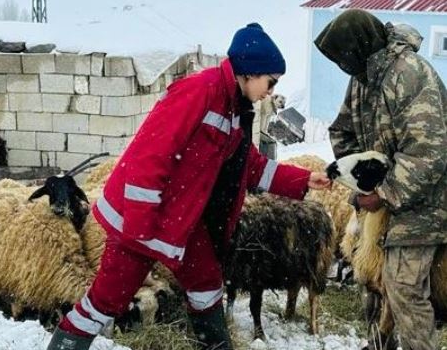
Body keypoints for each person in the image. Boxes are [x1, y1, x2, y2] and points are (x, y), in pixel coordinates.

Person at [46, 22, 331, 350]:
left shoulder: (234, 109)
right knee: (107, 299)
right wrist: (140, 229)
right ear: (251, 73)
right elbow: (150, 154)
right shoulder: (200, 92)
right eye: (271, 82)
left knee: (207, 282)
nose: (270, 91)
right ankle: (67, 344)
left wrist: (302, 179)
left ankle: (215, 345)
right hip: (143, 217)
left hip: (179, 218)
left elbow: (248, 167)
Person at [315, 9, 447, 350]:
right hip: (382, 201)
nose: (342, 66)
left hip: (425, 201)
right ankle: (379, 343)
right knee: (374, 279)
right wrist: (356, 178)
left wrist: (385, 192)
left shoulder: (411, 75)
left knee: (403, 287)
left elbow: (428, 150)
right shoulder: (363, 77)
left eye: (344, 57)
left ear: (359, 47)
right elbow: (343, 130)